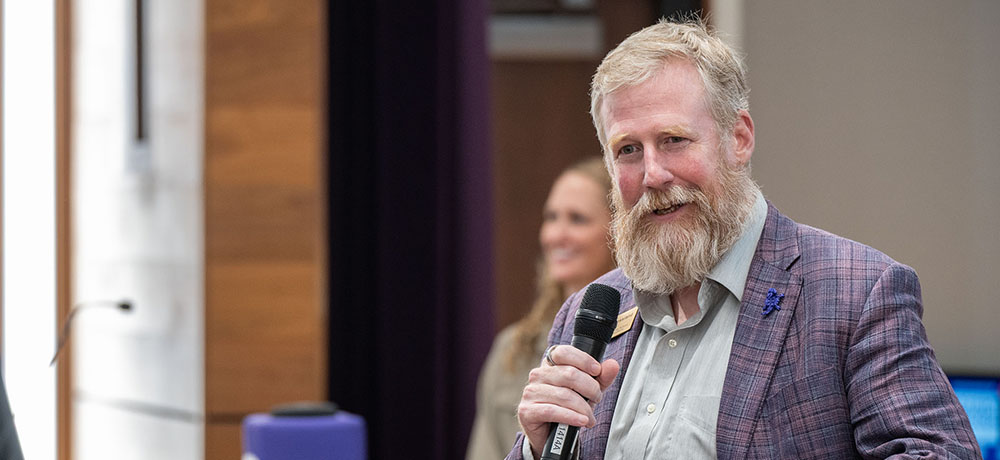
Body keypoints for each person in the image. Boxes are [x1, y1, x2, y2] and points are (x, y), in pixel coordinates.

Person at [508, 18, 980, 460]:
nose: (653, 173)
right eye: (628, 150)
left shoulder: (855, 293)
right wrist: (533, 449)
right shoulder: (591, 310)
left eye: (674, 140)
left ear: (739, 138)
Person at [467, 158, 615, 460]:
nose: (556, 235)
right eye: (551, 217)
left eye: (577, 219)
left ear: (616, 230)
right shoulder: (512, 348)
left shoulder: (644, 336)